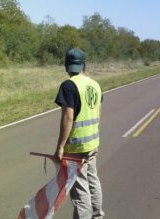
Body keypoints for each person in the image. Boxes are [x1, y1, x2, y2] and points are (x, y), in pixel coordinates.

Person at [54, 48, 105, 218]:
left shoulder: (68, 85)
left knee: (80, 192)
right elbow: (98, 114)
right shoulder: (95, 85)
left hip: (75, 148)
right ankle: (97, 216)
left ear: (67, 66)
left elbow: (68, 118)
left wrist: (60, 147)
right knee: (93, 182)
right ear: (84, 65)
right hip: (92, 144)